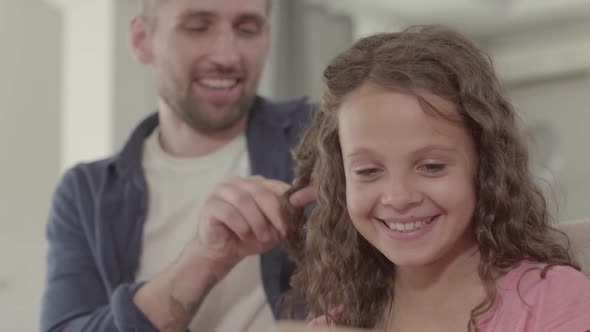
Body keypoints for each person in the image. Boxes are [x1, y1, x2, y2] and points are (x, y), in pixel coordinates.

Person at [283, 25, 590, 331]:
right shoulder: (331, 326)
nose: (399, 197)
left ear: (485, 166)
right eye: (368, 171)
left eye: (431, 167)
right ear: (341, 181)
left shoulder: (554, 301)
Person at [40, 0, 315, 331]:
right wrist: (204, 260)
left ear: (267, 38)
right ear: (142, 41)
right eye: (198, 27)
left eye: (247, 29)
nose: (226, 56)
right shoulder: (86, 193)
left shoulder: (324, 142)